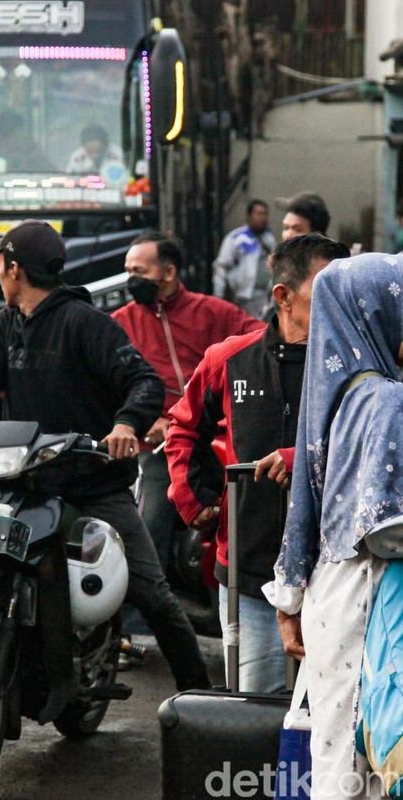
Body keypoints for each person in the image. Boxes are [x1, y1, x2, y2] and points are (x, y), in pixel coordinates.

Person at [0, 218, 211, 694]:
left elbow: (144, 382)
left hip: (90, 483)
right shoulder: (7, 323)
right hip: (21, 481)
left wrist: (125, 424)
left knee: (153, 594)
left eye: (0, 262)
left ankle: (201, 698)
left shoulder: (86, 323)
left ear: (13, 268)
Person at [167, 235, 350, 693]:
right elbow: (184, 429)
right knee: (256, 702)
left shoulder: (355, 366)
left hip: (338, 567)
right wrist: (195, 504)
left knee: (332, 705)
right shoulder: (229, 359)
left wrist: (300, 461)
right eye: (325, 289)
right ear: (283, 297)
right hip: (249, 565)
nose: (341, 303)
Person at [262, 252, 403, 799]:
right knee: (365, 758)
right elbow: (388, 530)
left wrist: (289, 598)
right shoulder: (386, 400)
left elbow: (306, 505)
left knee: (336, 758)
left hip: (330, 591)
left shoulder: (337, 394)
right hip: (370, 597)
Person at [111, 231, 264, 651]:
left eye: (138, 271)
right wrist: (149, 422)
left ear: (169, 272)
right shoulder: (122, 322)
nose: (131, 279)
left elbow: (263, 341)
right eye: (128, 271)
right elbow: (112, 386)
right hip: (160, 446)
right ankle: (135, 625)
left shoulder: (213, 312)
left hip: (222, 437)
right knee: (151, 520)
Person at [212, 199, 275, 318]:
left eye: (265, 214)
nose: (263, 218)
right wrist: (218, 295)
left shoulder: (269, 239)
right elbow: (221, 266)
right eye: (259, 214)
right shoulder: (236, 238)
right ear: (249, 216)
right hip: (241, 296)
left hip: (263, 295)